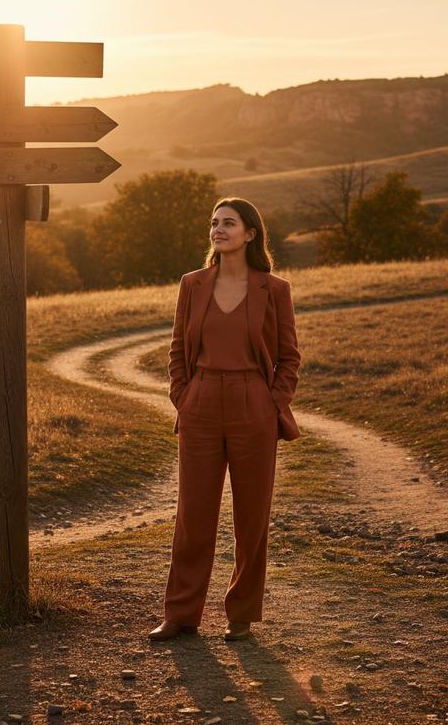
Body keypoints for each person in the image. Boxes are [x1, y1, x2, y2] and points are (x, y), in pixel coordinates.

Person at [149, 197, 301, 642]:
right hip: (200, 403)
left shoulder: (274, 289)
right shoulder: (192, 283)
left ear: (250, 233)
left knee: (252, 517)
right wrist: (183, 396)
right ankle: (180, 614)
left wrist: (273, 403)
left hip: (253, 402)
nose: (218, 229)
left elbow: (289, 357)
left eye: (228, 223)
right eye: (214, 223)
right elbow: (178, 348)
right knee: (193, 515)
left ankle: (241, 615)